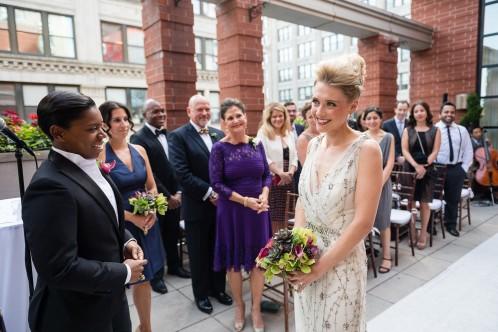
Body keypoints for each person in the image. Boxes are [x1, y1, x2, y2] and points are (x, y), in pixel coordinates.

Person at [22, 91, 146, 332]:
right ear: (58, 133)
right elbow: (59, 268)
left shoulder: (88, 162)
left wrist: (127, 241)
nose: (103, 134)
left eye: (102, 126)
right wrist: (123, 272)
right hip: (77, 316)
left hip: (111, 303)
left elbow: (103, 219)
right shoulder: (49, 187)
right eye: (92, 129)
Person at [289, 54, 383, 331]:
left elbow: (364, 222)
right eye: (317, 101)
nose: (319, 112)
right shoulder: (313, 145)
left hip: (341, 264)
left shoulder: (367, 150)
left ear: (352, 106)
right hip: (307, 259)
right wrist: (296, 252)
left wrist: (321, 266)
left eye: (331, 104)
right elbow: (303, 202)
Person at [99, 101, 165, 332]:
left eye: (126, 119)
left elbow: (151, 185)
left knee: (144, 277)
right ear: (105, 125)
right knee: (122, 280)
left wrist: (153, 209)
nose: (123, 124)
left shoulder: (139, 150)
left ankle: (145, 327)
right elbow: (102, 199)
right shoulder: (100, 155)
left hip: (147, 222)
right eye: (117, 120)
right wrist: (131, 218)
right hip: (120, 226)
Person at [209, 98, 271, 332]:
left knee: (258, 263)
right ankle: (239, 306)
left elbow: (266, 174)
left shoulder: (257, 144)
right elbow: (217, 184)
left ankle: (256, 309)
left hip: (258, 213)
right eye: (230, 117)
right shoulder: (219, 149)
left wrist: (264, 194)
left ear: (246, 117)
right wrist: (245, 201)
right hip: (233, 212)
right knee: (233, 264)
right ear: (224, 123)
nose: (235, 120)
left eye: (239, 115)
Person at [169, 95, 232, 314]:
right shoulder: (177, 137)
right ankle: (202, 294)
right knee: (198, 254)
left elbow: (228, 168)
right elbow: (181, 173)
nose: (204, 113)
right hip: (198, 206)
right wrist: (210, 193)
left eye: (207, 109)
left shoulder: (220, 134)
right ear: (189, 111)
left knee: (219, 249)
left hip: (222, 207)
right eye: (199, 109)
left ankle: (218, 289)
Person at [130, 99, 190, 296]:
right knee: (156, 238)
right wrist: (168, 196)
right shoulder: (139, 139)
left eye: (162, 111)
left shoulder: (170, 135)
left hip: (175, 195)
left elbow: (178, 166)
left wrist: (179, 192)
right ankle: (156, 276)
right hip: (155, 198)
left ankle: (175, 266)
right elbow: (151, 174)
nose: (161, 114)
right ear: (145, 114)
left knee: (172, 233)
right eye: (155, 111)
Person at [401, 101, 441, 249]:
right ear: (413, 114)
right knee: (410, 203)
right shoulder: (408, 130)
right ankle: (412, 231)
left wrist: (424, 166)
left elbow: (435, 151)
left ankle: (423, 233)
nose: (419, 113)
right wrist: (416, 166)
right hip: (410, 169)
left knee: (424, 204)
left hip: (428, 171)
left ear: (427, 112)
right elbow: (405, 151)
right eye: (416, 111)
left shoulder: (435, 130)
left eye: (422, 110)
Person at [257, 102, 298, 230]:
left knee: (289, 217)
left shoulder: (289, 133)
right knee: (275, 218)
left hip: (288, 181)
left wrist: (290, 172)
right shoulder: (263, 133)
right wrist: (280, 173)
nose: (278, 119)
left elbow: (295, 156)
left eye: (280, 116)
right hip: (274, 182)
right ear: (269, 118)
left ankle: (286, 246)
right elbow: (263, 156)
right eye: (274, 116)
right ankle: (274, 246)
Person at [364, 107, 395, 273]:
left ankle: (386, 257)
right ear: (364, 121)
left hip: (382, 185)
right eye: (368, 118)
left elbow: (390, 163)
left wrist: (378, 183)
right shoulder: (361, 138)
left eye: (375, 117)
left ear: (381, 119)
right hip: (364, 185)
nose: (372, 121)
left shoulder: (388, 137)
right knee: (363, 220)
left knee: (383, 221)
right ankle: (363, 255)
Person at [435, 102, 473, 237]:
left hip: (456, 169)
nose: (449, 114)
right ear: (440, 114)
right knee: (434, 197)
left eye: (452, 112)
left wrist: (463, 168)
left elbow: (468, 150)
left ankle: (450, 224)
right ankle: (431, 224)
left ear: (454, 114)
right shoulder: (434, 129)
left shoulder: (461, 130)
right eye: (446, 112)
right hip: (437, 168)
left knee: (453, 199)